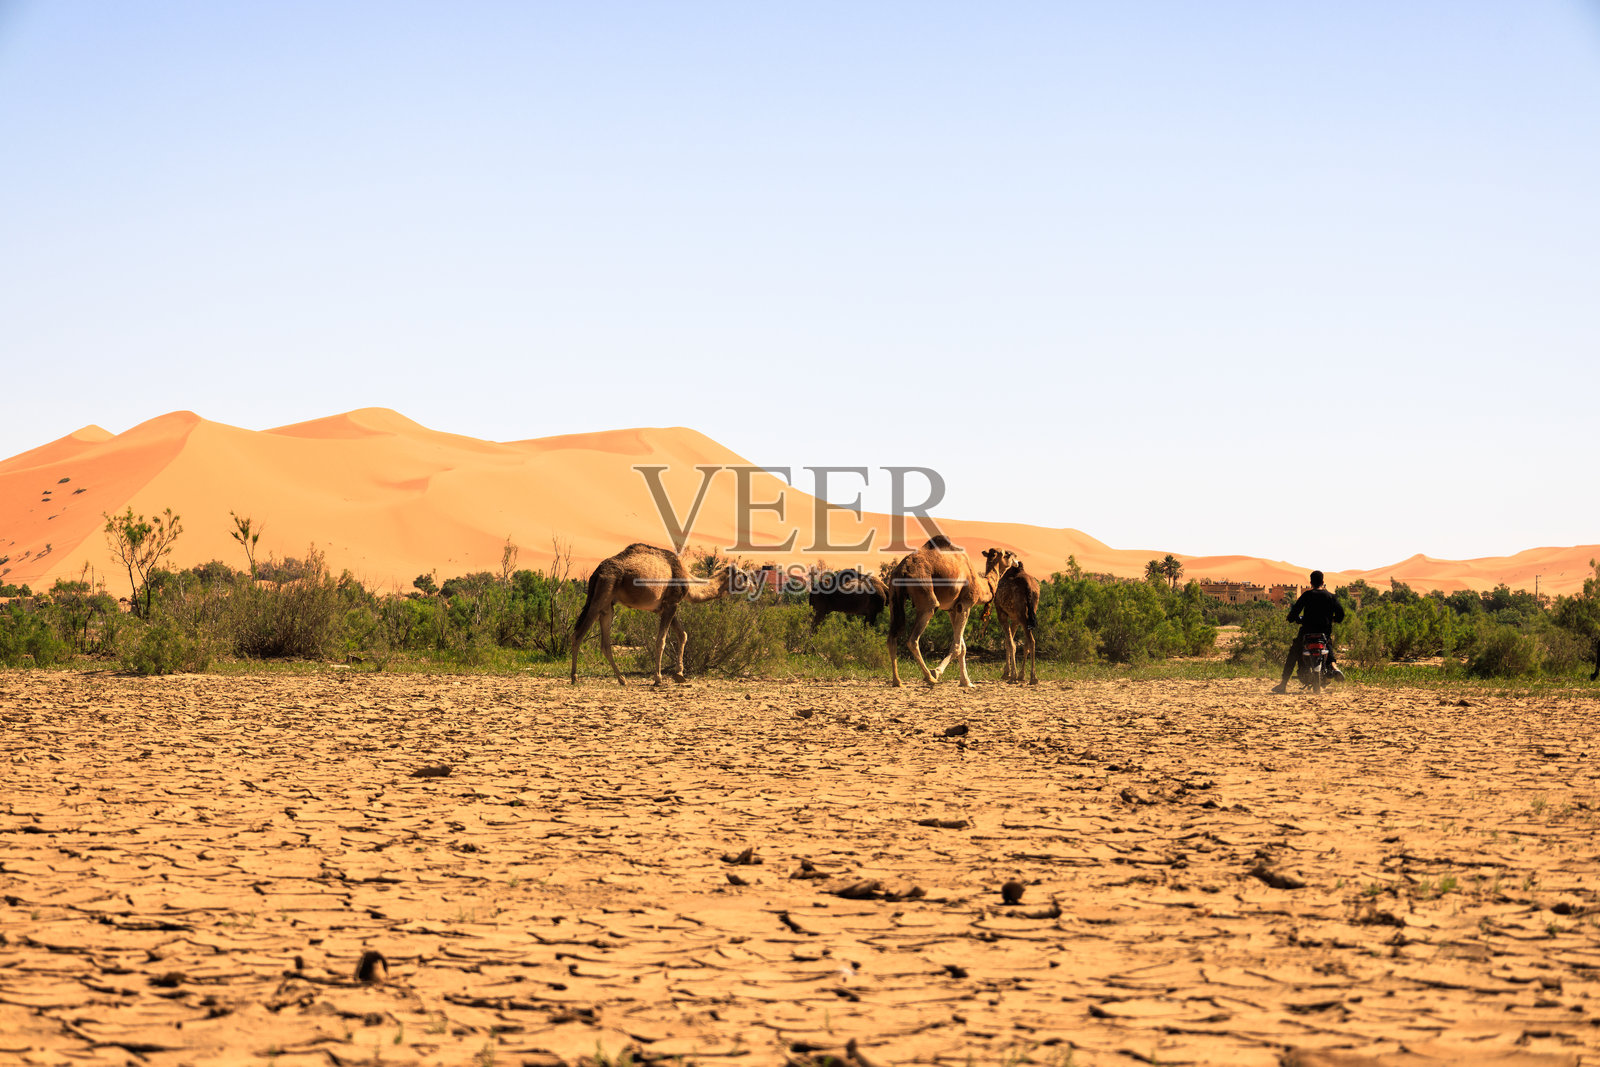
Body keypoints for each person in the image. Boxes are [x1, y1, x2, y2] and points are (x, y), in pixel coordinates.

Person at [1271, 570, 1345, 693]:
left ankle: (1283, 684)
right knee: (1328, 644)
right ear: (1323, 582)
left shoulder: (1307, 595)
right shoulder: (1331, 597)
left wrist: (1292, 618)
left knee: (1294, 653)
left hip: (1307, 632)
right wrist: (1332, 619)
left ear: (1311, 583)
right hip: (1324, 633)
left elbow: (1294, 612)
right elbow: (1341, 615)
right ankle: (1333, 666)